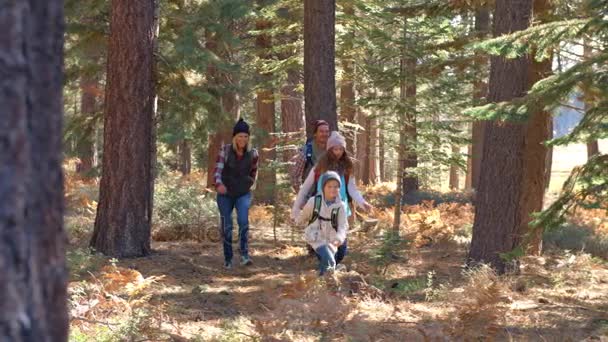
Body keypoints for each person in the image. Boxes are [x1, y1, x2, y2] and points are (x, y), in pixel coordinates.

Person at [291, 131, 373, 263]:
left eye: (341, 149)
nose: (338, 152)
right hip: (321, 208)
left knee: (340, 249)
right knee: (324, 244)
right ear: (329, 149)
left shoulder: (347, 167)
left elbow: (351, 188)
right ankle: (327, 270)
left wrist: (363, 202)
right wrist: (296, 209)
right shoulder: (319, 167)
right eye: (335, 148)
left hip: (340, 208)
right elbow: (305, 188)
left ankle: (332, 264)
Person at [213, 118, 259, 269]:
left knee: (243, 221)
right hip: (225, 193)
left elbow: (254, 171)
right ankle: (228, 258)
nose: (243, 139)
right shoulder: (225, 151)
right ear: (234, 137)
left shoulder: (253, 153)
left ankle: (245, 254)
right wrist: (219, 184)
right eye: (240, 136)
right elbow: (217, 171)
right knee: (227, 225)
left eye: (246, 136)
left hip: (242, 193)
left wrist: (250, 183)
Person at [296, 171, 348, 275]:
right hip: (317, 237)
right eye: (329, 186)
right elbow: (303, 217)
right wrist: (297, 221)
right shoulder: (314, 202)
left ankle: (321, 278)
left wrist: (339, 238)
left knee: (333, 260)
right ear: (323, 187)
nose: (333, 189)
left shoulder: (340, 206)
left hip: (332, 239)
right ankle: (325, 285)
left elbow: (343, 226)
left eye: (336, 187)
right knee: (329, 261)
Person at [289, 120, 331, 191]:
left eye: (327, 131)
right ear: (315, 134)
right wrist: (302, 195)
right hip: (312, 197)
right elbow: (295, 177)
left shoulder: (333, 150)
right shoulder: (306, 151)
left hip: (332, 196)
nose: (324, 134)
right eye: (321, 131)